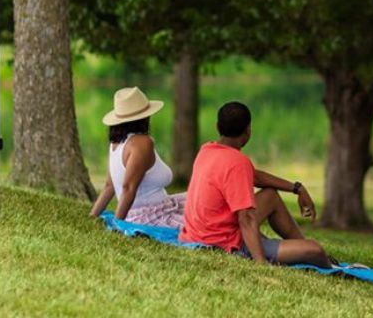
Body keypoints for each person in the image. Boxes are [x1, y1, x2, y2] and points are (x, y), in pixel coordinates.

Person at [180, 101, 331, 267]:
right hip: (225, 244)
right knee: (315, 250)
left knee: (270, 195)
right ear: (248, 131)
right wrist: (261, 262)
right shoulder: (238, 163)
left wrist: (297, 188)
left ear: (217, 127)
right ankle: (324, 262)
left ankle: (298, 245)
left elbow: (255, 177)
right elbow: (246, 218)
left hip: (198, 234)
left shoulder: (207, 150)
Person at [89, 87, 185, 228]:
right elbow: (128, 188)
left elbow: (109, 186)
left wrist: (92, 216)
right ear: (144, 117)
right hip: (151, 215)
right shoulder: (142, 143)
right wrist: (117, 226)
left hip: (151, 209)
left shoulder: (116, 143)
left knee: (199, 198)